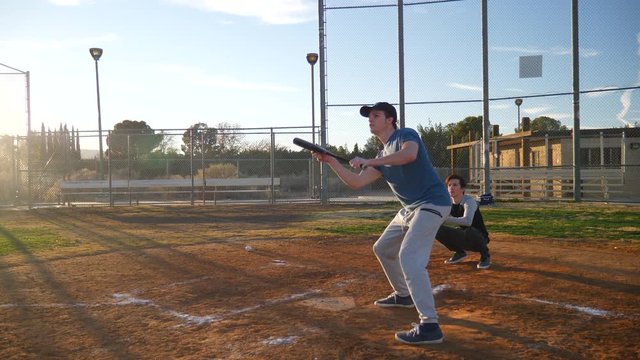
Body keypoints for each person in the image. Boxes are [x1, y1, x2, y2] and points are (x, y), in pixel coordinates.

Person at [312, 102, 451, 345]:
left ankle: (430, 325)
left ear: (391, 120)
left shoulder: (405, 135)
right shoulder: (380, 156)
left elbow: (410, 155)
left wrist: (372, 161)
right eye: (369, 116)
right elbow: (356, 182)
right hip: (410, 209)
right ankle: (403, 295)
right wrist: (331, 162)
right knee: (383, 249)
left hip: (432, 202)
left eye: (376, 115)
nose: (370, 119)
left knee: (409, 257)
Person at [436, 174, 491, 269]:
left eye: (455, 185)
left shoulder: (469, 201)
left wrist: (444, 219)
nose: (451, 188)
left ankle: (485, 255)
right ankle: (459, 252)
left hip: (479, 237)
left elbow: (467, 221)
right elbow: (440, 217)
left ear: (462, 189)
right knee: (437, 229)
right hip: (464, 236)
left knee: (470, 230)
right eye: (449, 185)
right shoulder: (448, 203)